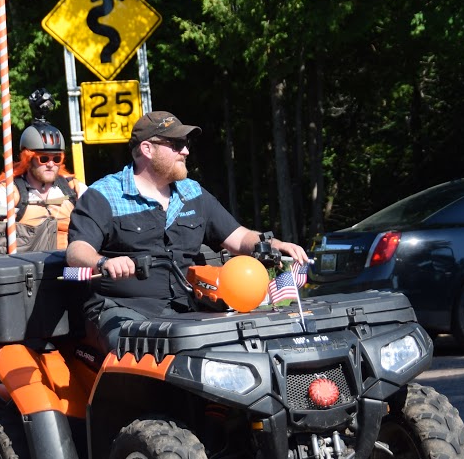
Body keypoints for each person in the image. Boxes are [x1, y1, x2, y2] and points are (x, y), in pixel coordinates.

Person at [66, 110, 311, 350]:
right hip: (122, 312)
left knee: (240, 346)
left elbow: (238, 237)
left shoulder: (192, 193)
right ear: (147, 149)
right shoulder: (103, 195)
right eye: (176, 144)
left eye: (185, 143)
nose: (186, 151)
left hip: (187, 310)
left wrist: (273, 244)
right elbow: (77, 251)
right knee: (145, 351)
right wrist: (102, 263)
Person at [0, 120, 85, 249]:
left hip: (68, 263)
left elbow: (96, 225)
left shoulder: (74, 188)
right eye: (44, 158)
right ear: (28, 159)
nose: (51, 164)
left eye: (56, 159)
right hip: (29, 264)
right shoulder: (9, 191)